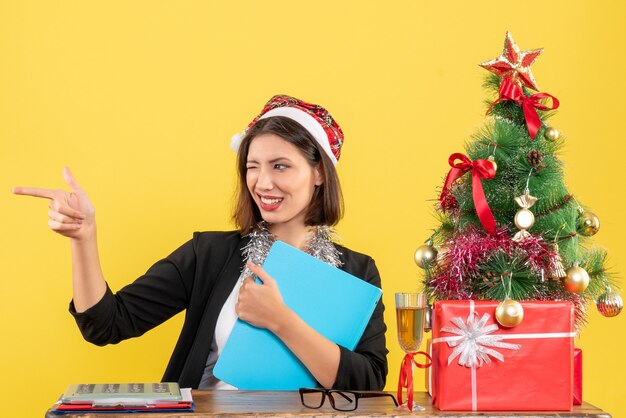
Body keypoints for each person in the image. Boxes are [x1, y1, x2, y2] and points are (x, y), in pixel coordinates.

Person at [12, 95, 388, 390]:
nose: (261, 182)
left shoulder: (356, 272)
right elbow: (107, 324)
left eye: (280, 165)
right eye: (252, 166)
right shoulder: (209, 255)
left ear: (319, 172)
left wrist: (281, 321)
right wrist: (84, 237)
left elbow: (369, 381)